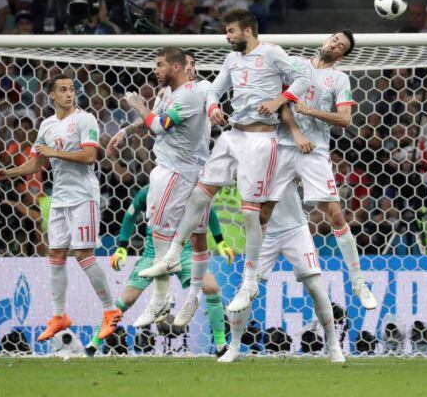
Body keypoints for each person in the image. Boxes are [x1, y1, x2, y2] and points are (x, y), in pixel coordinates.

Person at [138, 9, 309, 317]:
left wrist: (279, 100)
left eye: (231, 31)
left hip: (261, 140)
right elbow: (215, 89)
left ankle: (248, 282)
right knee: (200, 195)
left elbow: (303, 77)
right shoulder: (231, 61)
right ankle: (174, 253)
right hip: (232, 135)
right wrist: (214, 105)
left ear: (248, 30)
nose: (227, 36)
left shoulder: (272, 53)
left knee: (249, 215)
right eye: (226, 31)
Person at [0, 74, 122, 342]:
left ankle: (110, 311)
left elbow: (89, 156)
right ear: (51, 95)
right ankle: (59, 315)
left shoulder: (85, 119)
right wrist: (10, 173)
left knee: (83, 254)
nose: (69, 94)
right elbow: (36, 163)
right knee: (56, 255)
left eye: (72, 89)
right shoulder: (47, 125)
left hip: (83, 196)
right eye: (63, 90)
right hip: (60, 198)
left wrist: (54, 154)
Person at [274, 30, 377, 310]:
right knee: (261, 212)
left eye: (340, 45)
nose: (334, 44)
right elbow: (281, 102)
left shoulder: (339, 79)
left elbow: (345, 119)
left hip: (316, 150)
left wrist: (310, 112)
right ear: (324, 40)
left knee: (334, 214)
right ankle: (250, 281)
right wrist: (296, 132)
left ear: (342, 54)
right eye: (333, 39)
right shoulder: (295, 65)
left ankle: (358, 281)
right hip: (285, 144)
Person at [109, 47, 212, 327]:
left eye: (161, 65)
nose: (156, 69)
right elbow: (151, 118)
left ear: (180, 67)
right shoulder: (168, 93)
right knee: (170, 234)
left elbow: (159, 126)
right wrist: (124, 131)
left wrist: (137, 104)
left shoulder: (197, 91)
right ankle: (166, 299)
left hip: (182, 170)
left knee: (171, 234)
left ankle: (174, 298)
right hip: (179, 169)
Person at [85, 183, 232, 357]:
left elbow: (209, 213)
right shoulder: (150, 190)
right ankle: (94, 343)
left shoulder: (190, 189)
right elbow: (130, 214)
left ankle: (221, 346)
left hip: (183, 251)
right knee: (129, 297)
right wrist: (122, 247)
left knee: (211, 287)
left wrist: (220, 241)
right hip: (153, 251)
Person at [221, 182, 344, 363]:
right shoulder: (249, 159)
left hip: (296, 230)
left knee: (315, 286)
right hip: (263, 234)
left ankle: (333, 346)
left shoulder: (288, 154)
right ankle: (234, 347)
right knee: (247, 289)